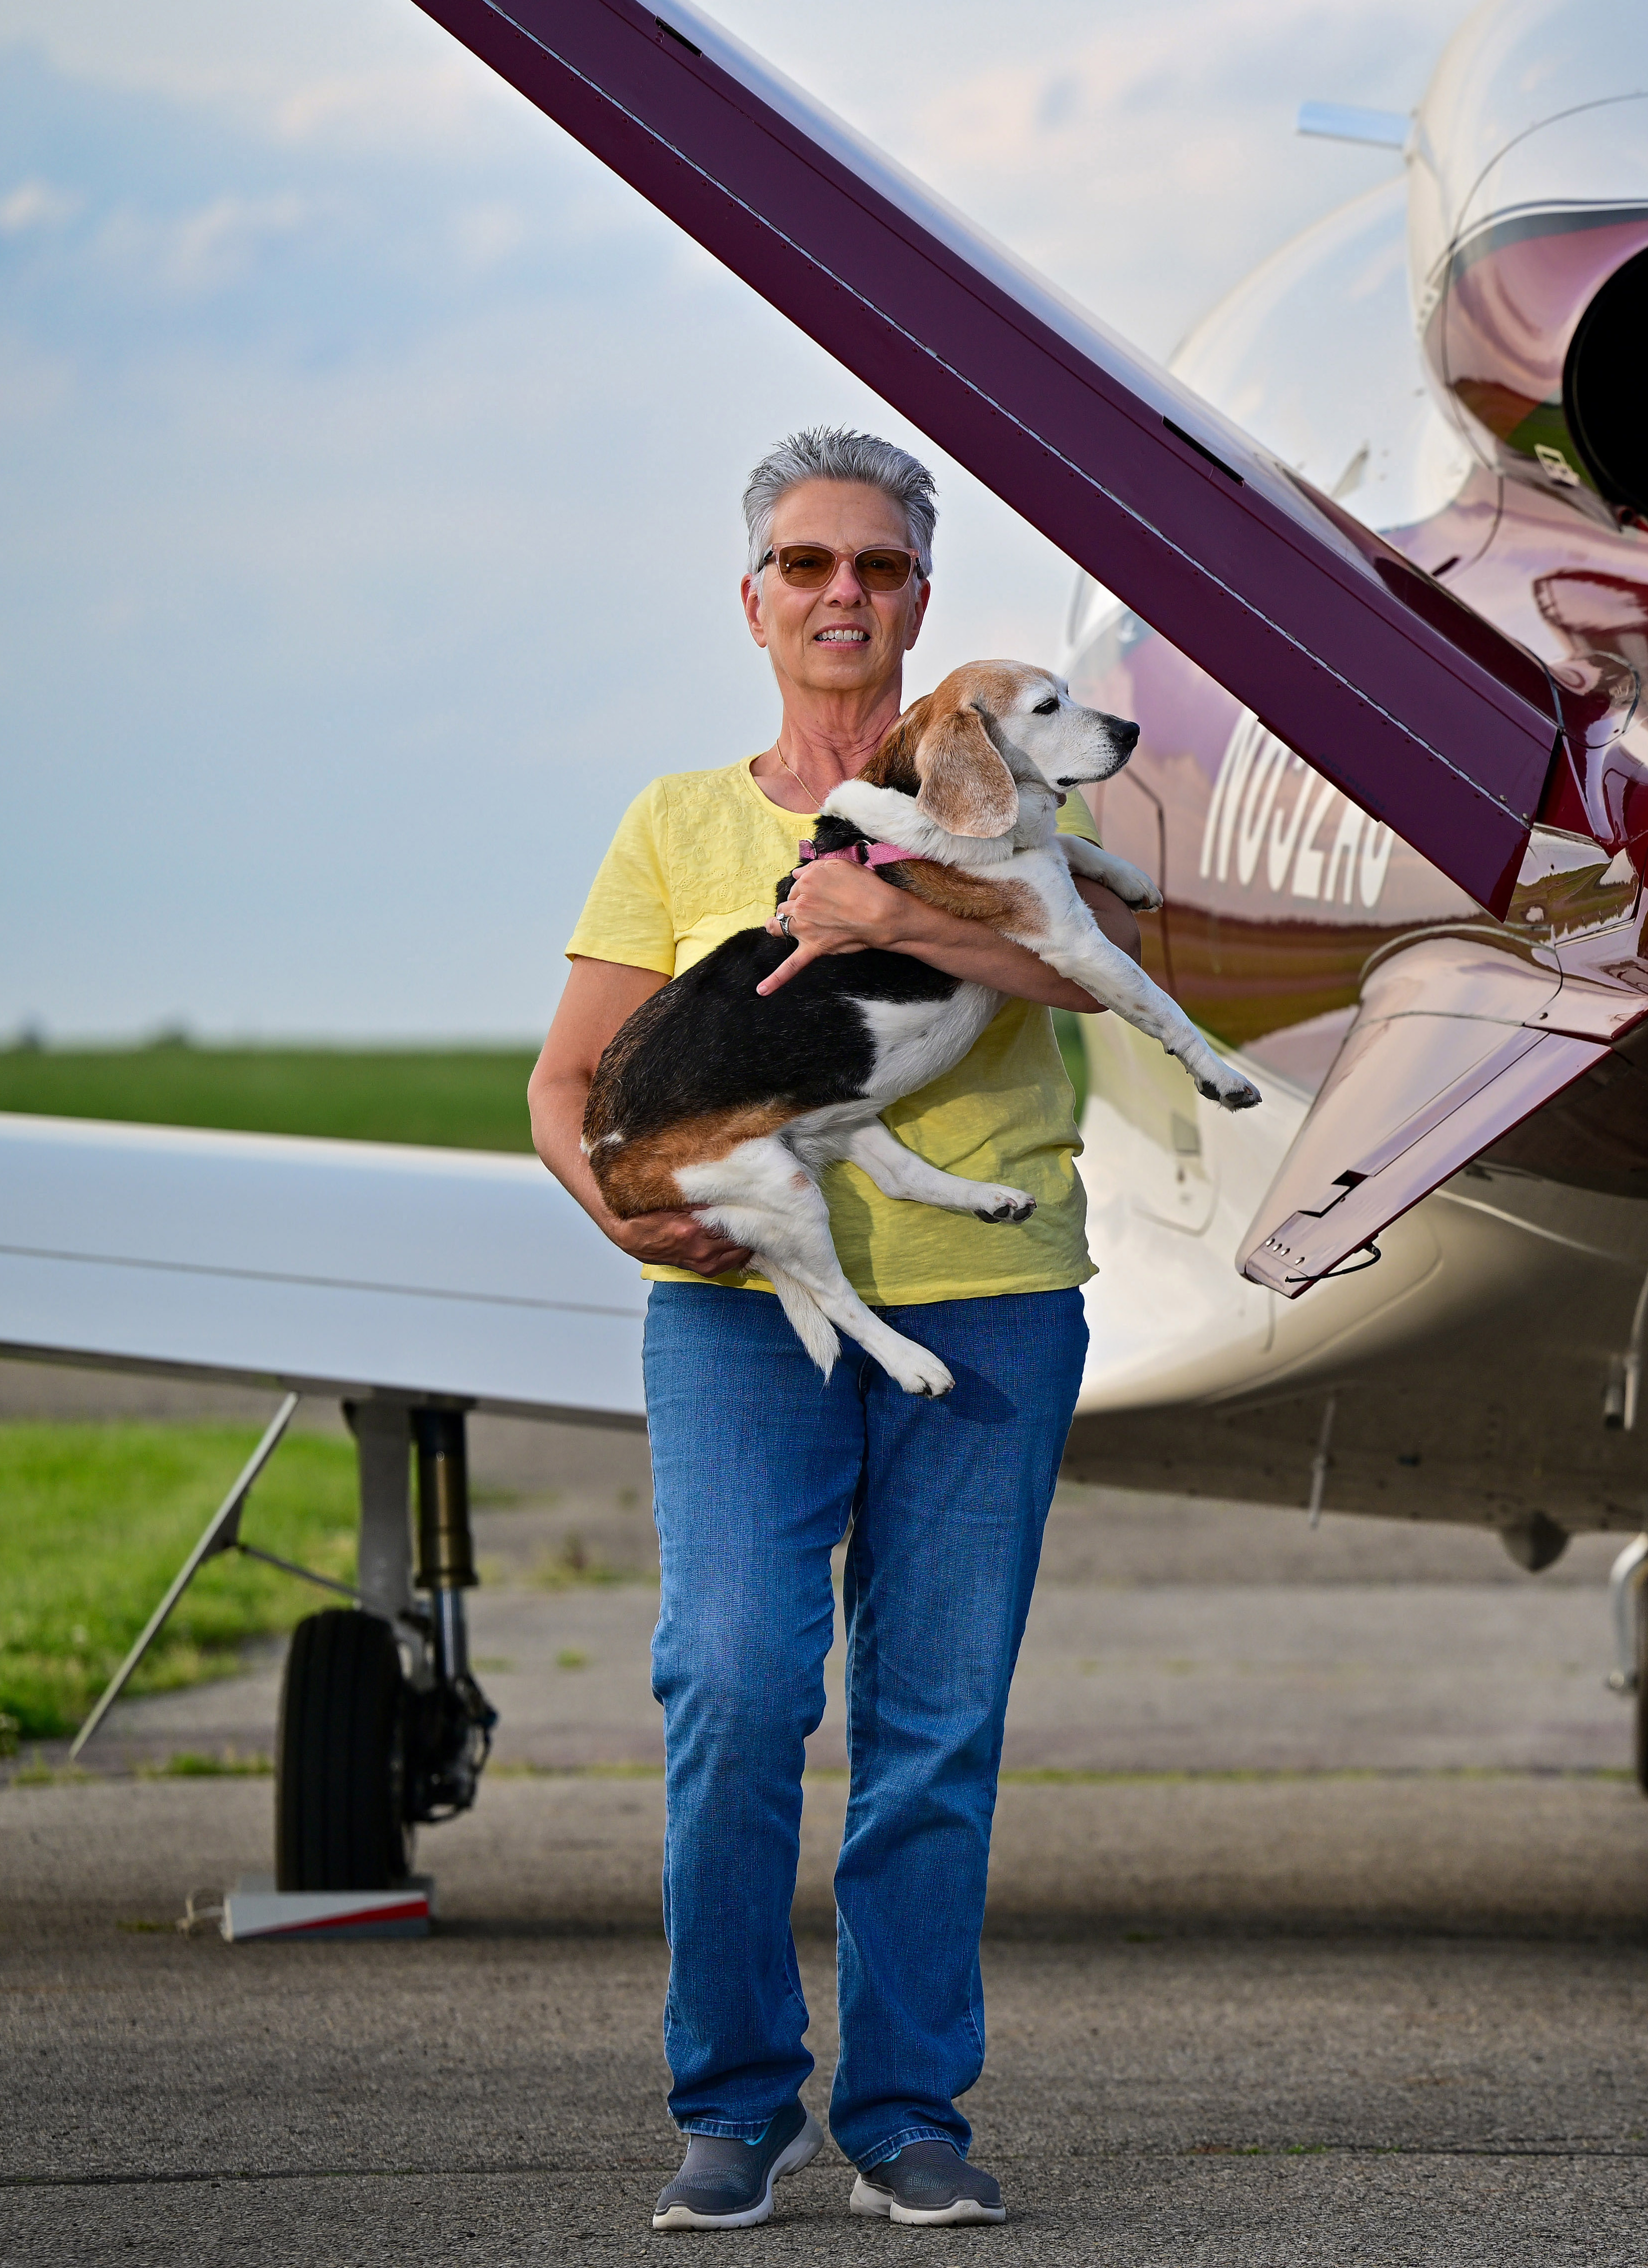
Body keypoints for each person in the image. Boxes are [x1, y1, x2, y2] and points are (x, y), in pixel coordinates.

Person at [523, 427, 1144, 2232]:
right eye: (807, 565)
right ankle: (732, 2099)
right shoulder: (679, 823)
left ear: (922, 606)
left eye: (876, 568)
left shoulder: (1021, 799)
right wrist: (620, 1200)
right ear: (754, 601)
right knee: (727, 1683)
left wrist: (884, 907)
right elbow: (568, 1082)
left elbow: (1100, 961)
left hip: (996, 1308)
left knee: (934, 1725)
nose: (842, 597)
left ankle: (904, 2111)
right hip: (733, 1320)